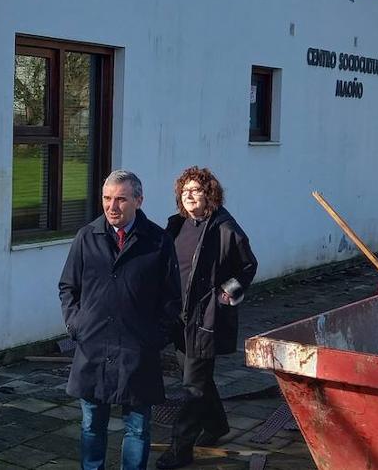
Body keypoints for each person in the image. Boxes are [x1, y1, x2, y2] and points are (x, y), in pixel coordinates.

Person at [59, 169, 183, 470]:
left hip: (137, 351)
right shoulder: (87, 236)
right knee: (91, 426)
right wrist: (77, 326)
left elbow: (171, 299)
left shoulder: (157, 241)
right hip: (93, 349)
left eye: (121, 199)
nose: (111, 207)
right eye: (106, 198)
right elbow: (68, 286)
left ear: (138, 201)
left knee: (138, 428)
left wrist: (154, 338)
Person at [156, 167, 258, 470]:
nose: (188, 195)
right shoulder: (177, 225)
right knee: (196, 377)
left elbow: (248, 266)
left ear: (209, 194)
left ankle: (180, 449)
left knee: (192, 386)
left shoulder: (225, 228)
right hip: (179, 317)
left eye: (195, 190)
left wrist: (227, 293)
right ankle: (216, 425)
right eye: (184, 190)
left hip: (206, 318)